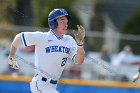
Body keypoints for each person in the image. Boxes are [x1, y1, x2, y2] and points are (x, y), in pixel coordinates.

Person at [8, 9, 85, 93]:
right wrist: (11, 56)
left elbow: (79, 61)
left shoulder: (69, 40)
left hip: (53, 86)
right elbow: (19, 37)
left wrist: (80, 45)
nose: (66, 24)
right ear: (53, 23)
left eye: (66, 22)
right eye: (62, 21)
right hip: (40, 83)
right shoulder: (43, 37)